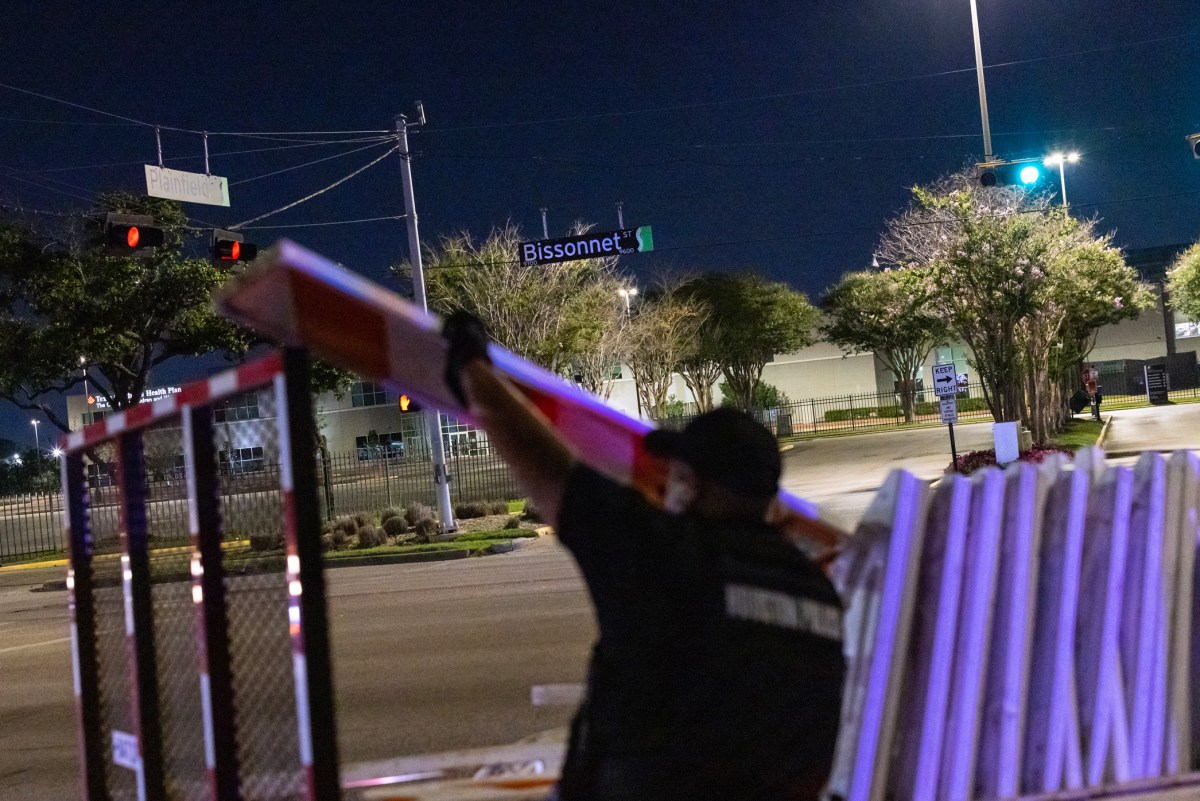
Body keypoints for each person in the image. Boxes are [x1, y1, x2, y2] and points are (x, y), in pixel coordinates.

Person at [443, 312, 846, 801]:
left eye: (674, 476)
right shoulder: (818, 592)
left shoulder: (666, 554)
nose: (666, 489)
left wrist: (472, 371)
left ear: (691, 485)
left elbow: (549, 469)